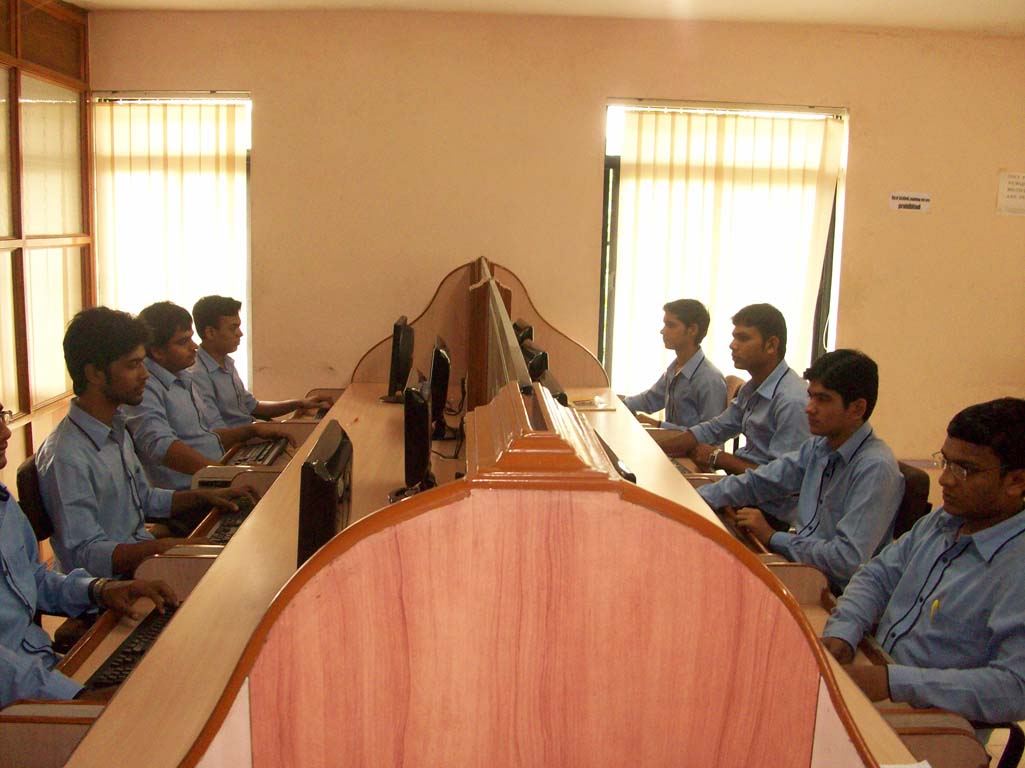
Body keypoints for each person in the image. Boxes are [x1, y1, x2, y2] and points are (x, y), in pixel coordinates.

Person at [821, 398, 1025, 724]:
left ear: (1016, 481)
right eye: (946, 462)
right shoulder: (944, 521)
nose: (945, 480)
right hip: (875, 678)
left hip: (932, 723)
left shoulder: (1016, 565)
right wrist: (844, 631)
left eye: (965, 470)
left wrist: (893, 682)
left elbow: (1014, 689)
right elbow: (877, 575)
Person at [37, 307, 256, 575]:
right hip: (115, 586)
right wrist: (164, 548)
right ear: (95, 374)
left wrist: (207, 495)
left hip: (143, 561)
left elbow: (145, 498)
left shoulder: (114, 428)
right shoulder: (67, 455)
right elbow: (85, 555)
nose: (145, 374)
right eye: (133, 365)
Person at [0, 404, 178, 707]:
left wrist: (99, 589)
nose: (6, 432)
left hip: (41, 671)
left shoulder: (3, 502)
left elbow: (33, 577)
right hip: (19, 699)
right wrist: (78, 697)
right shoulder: (66, 453)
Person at [698, 349, 903, 590]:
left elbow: (846, 561)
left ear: (857, 409)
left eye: (823, 399)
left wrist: (773, 537)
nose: (809, 408)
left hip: (831, 591)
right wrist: (694, 498)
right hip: (802, 568)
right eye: (811, 396)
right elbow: (761, 482)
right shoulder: (819, 446)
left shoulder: (876, 468)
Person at [655, 303, 811, 525]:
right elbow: (714, 428)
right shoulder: (753, 387)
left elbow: (779, 481)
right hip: (743, 492)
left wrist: (718, 458)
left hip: (768, 514)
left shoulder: (792, 401)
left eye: (743, 338)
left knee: (669, 519)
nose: (733, 345)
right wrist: (656, 449)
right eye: (734, 337)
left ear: (771, 345)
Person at [125, 301, 295, 490]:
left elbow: (205, 435)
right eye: (183, 342)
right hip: (192, 489)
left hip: (217, 469)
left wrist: (251, 431)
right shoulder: (145, 386)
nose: (194, 346)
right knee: (285, 489)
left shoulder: (183, 377)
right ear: (157, 352)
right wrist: (225, 474)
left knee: (290, 473)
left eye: (191, 338)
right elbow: (161, 446)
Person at [189, 295, 334, 428]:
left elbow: (253, 407)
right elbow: (218, 433)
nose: (240, 333)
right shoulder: (198, 375)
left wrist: (300, 403)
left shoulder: (226, 363)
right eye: (233, 328)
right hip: (237, 443)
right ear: (210, 332)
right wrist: (269, 430)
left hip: (250, 434)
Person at [621, 299, 727, 431]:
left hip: (683, 445)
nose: (663, 331)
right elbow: (650, 399)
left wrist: (658, 425)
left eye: (671, 325)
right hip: (670, 442)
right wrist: (619, 404)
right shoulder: (675, 368)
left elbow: (711, 435)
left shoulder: (709, 379)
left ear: (692, 330)